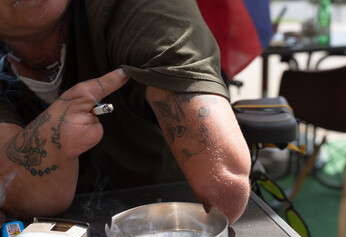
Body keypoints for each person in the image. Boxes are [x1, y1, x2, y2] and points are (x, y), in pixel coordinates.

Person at [0, 0, 251, 224]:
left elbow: (225, 187)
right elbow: (15, 189)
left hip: (172, 223)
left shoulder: (139, 8)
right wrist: (54, 136)